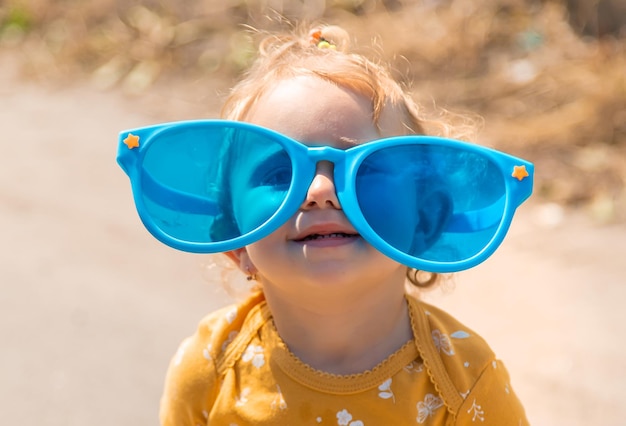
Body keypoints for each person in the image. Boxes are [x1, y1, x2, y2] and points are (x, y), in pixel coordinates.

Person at [117, 24, 532, 425]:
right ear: (235, 238)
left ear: (424, 222)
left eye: (365, 170)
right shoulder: (209, 368)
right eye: (280, 174)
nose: (319, 189)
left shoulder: (465, 383)